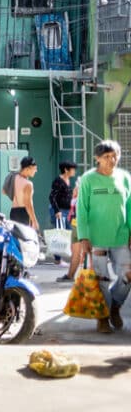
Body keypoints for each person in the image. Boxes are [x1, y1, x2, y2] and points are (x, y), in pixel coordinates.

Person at [76, 140, 131, 333]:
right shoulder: (88, 179)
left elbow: (130, 207)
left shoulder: (125, 178)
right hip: (96, 239)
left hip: (121, 237)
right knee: (101, 279)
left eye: (115, 155)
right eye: (107, 156)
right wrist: (83, 237)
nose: (112, 160)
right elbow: (81, 210)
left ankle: (115, 307)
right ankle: (102, 317)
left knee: (128, 276)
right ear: (97, 158)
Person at [49, 161, 77, 267]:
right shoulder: (58, 181)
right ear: (66, 170)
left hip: (67, 211)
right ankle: (57, 260)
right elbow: (52, 197)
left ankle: (66, 256)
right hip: (59, 211)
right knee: (60, 234)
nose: (74, 171)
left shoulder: (68, 180)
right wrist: (57, 211)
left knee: (69, 232)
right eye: (72, 169)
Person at [57, 180, 84, 283]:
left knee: (78, 253)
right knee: (77, 253)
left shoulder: (82, 198)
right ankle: (70, 275)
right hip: (76, 225)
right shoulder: (76, 198)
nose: (74, 189)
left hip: (79, 226)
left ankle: (71, 276)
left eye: (77, 187)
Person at [10, 156, 39, 231]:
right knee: (25, 240)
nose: (36, 171)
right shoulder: (28, 184)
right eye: (35, 169)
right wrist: (34, 221)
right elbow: (28, 204)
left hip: (13, 212)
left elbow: (4, 191)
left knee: (15, 238)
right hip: (23, 213)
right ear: (28, 168)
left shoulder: (14, 178)